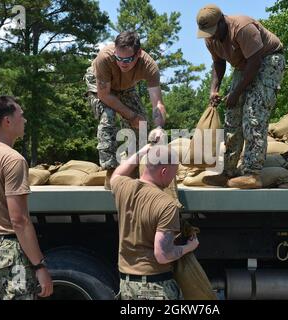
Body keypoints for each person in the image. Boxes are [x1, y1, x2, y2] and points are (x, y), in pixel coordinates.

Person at [0, 96, 53, 300]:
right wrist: (39, 265)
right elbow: (19, 220)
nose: (24, 121)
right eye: (21, 116)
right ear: (7, 121)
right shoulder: (13, 159)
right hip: (8, 257)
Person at [196, 4, 286, 188]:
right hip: (243, 66)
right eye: (208, 33)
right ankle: (228, 171)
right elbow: (218, 64)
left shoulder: (242, 28)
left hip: (267, 60)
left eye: (213, 31)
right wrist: (214, 89)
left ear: (222, 21)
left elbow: (255, 63)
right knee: (232, 115)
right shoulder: (210, 37)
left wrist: (236, 93)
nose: (211, 36)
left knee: (254, 114)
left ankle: (252, 173)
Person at [110, 144, 199, 300]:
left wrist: (142, 152)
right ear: (164, 172)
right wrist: (188, 247)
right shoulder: (167, 204)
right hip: (155, 288)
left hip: (126, 285)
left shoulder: (123, 187)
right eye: (173, 173)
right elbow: (162, 255)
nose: (174, 178)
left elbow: (116, 174)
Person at [84, 31, 167, 189]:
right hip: (100, 86)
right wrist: (130, 115)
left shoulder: (149, 66)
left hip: (125, 87)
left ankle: (133, 168)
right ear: (115, 51)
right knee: (107, 116)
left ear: (139, 54)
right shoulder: (105, 58)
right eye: (119, 58)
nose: (122, 63)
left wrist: (159, 127)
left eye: (128, 59)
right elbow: (105, 95)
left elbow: (158, 104)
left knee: (142, 124)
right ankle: (111, 171)